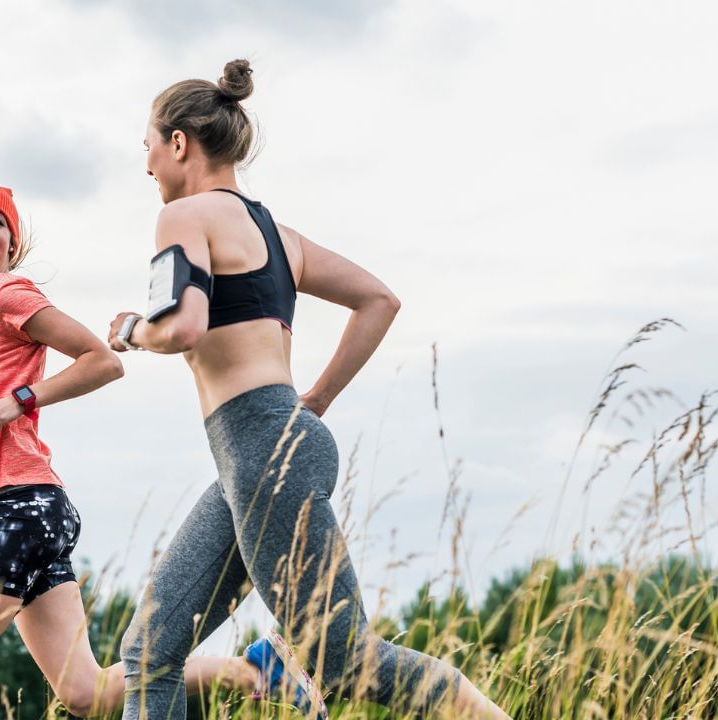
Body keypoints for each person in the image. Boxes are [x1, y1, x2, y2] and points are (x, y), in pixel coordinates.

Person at [106, 62, 512, 719]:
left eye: (148, 146)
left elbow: (182, 326)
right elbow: (378, 300)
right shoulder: (277, 235)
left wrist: (130, 329)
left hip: (263, 455)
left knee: (343, 661)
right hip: (261, 454)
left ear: (179, 143)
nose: (147, 164)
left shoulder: (184, 215)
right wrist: (313, 403)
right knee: (150, 653)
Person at [0, 184, 291, 719]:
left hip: (22, 510)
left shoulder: (10, 294)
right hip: (29, 509)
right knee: (84, 693)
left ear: (12, 242)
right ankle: (257, 671)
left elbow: (101, 360)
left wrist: (23, 399)